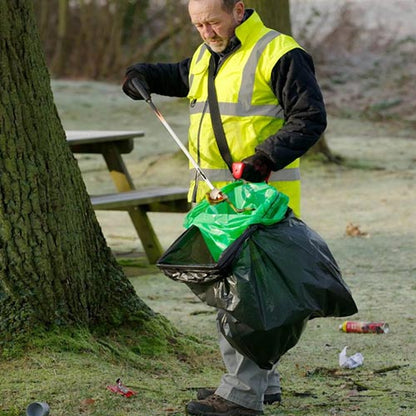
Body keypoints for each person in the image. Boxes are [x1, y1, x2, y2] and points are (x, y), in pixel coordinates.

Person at [123, 0, 327, 414]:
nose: (206, 32)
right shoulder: (205, 55)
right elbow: (176, 75)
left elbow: (309, 117)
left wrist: (266, 158)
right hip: (216, 206)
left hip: (260, 204)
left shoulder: (280, 52)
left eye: (212, 22)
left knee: (245, 302)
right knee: (236, 297)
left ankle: (240, 397)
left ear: (238, 10)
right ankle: (263, 384)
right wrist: (141, 74)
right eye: (197, 25)